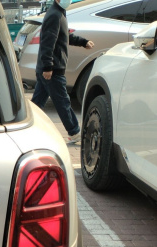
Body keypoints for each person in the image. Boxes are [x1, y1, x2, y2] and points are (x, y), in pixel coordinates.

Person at [31, 0, 94, 144]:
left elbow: (64, 36)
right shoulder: (55, 15)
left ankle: (28, 128)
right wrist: (48, 67)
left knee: (37, 104)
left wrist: (83, 42)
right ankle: (74, 131)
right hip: (52, 70)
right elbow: (47, 42)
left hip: (49, 69)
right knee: (62, 102)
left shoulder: (59, 13)